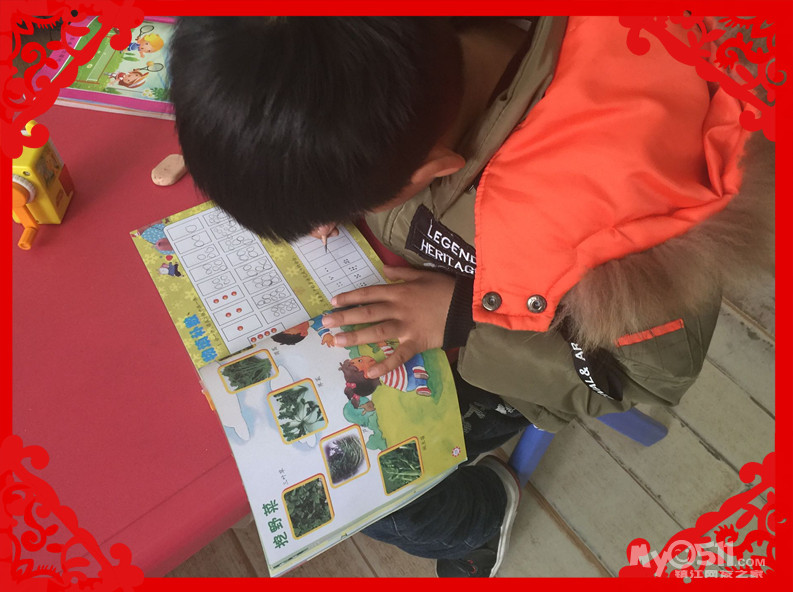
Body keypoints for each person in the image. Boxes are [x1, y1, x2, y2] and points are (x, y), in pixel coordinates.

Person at [168, 17, 773, 577]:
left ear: (432, 169)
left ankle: (483, 514)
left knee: (363, 498)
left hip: (520, 356)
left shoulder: (622, 232)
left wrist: (462, 316)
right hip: (429, 283)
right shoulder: (409, 64)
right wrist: (307, 174)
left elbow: (635, 382)